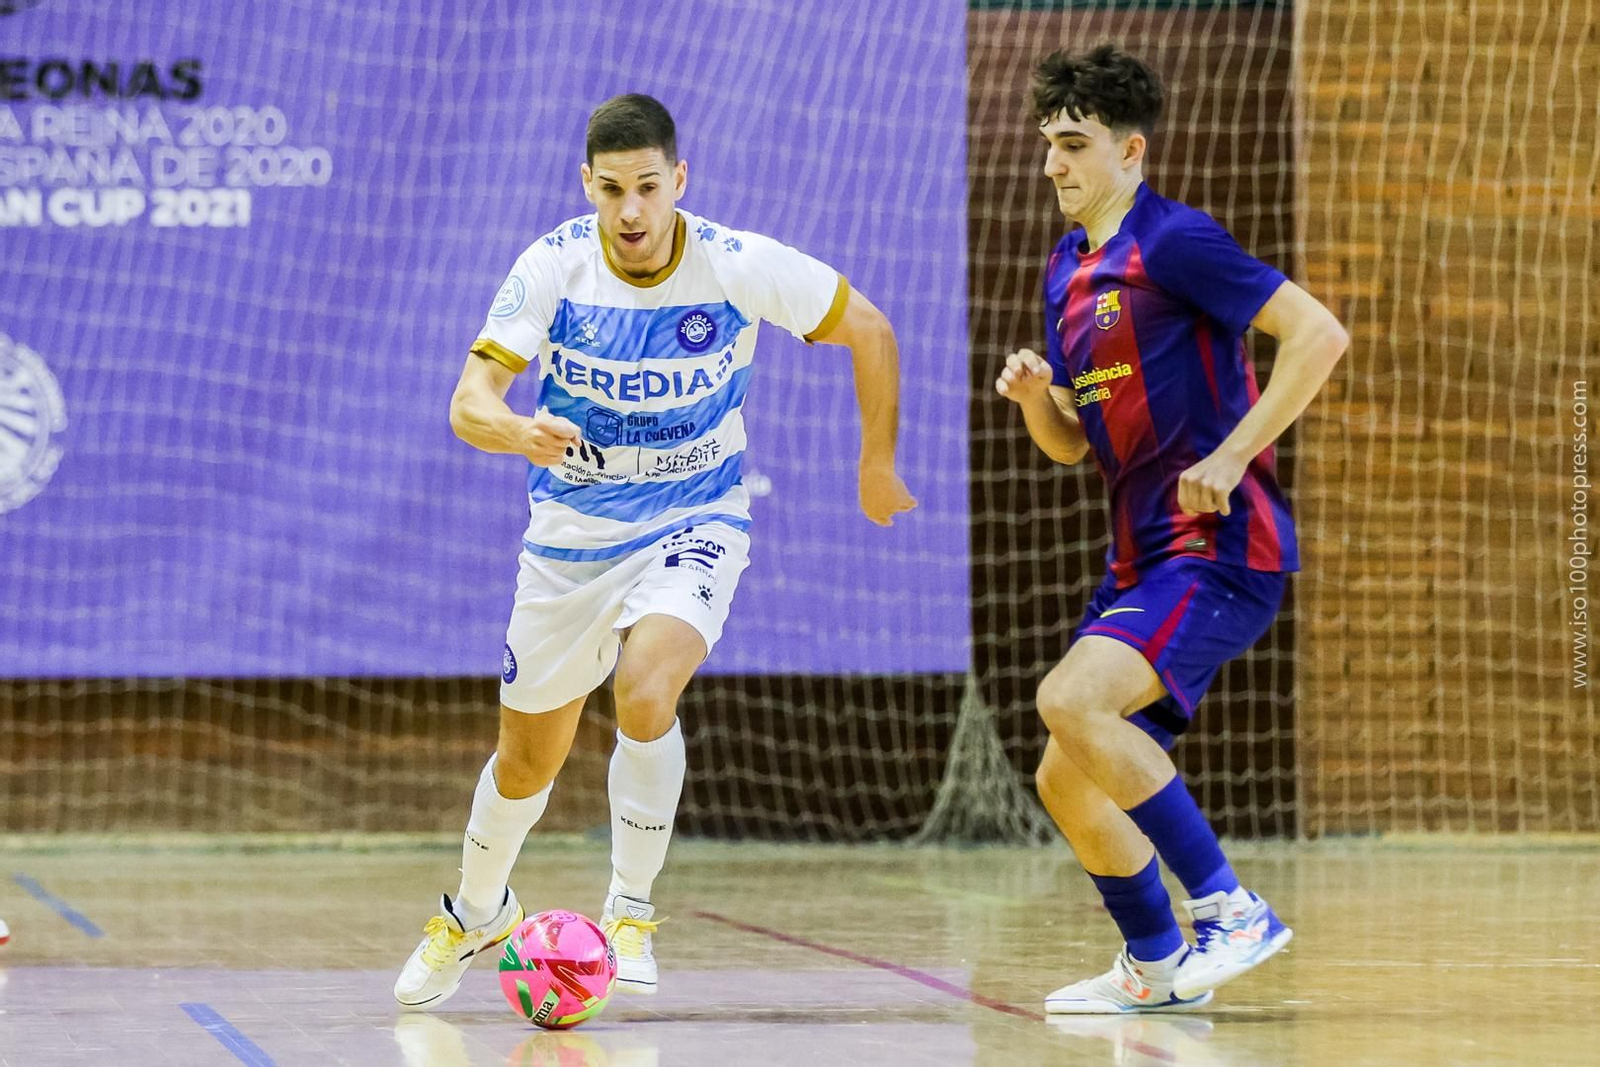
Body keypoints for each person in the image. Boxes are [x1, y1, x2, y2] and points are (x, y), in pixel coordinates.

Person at [394, 93, 915, 1009]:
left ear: (679, 180)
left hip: (696, 516)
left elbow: (868, 327)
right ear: (586, 187)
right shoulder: (552, 265)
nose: (630, 210)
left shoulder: (736, 264)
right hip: (572, 536)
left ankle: (628, 907)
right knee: (527, 763)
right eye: (611, 190)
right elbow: (468, 400)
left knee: (645, 687)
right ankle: (477, 909)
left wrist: (875, 463)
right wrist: (517, 432)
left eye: (647, 187)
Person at [995, 46, 1348, 1013]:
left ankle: (1231, 908)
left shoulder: (1177, 241)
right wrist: (1035, 401)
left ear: (1131, 149)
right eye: (1048, 144)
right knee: (1065, 777)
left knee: (1070, 697)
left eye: (1074, 144)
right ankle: (1153, 962)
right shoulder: (1065, 271)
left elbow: (1319, 335)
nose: (1054, 164)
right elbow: (1071, 445)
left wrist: (1233, 454)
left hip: (1223, 548)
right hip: (1140, 558)